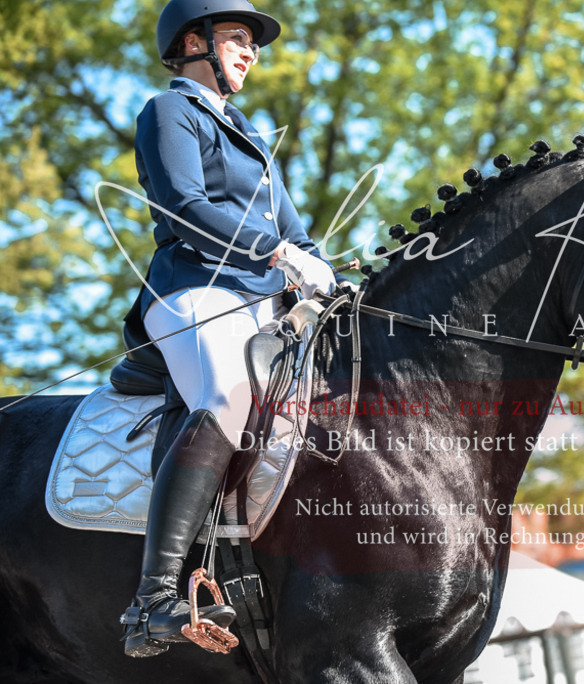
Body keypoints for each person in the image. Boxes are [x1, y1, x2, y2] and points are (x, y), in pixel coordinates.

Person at [119, 0, 335, 658]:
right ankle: (152, 600)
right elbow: (183, 204)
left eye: (252, 43)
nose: (251, 53)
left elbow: (297, 234)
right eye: (238, 38)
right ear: (195, 42)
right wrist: (276, 253)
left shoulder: (253, 138)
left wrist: (324, 273)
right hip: (193, 289)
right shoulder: (170, 110)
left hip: (262, 303)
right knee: (227, 395)